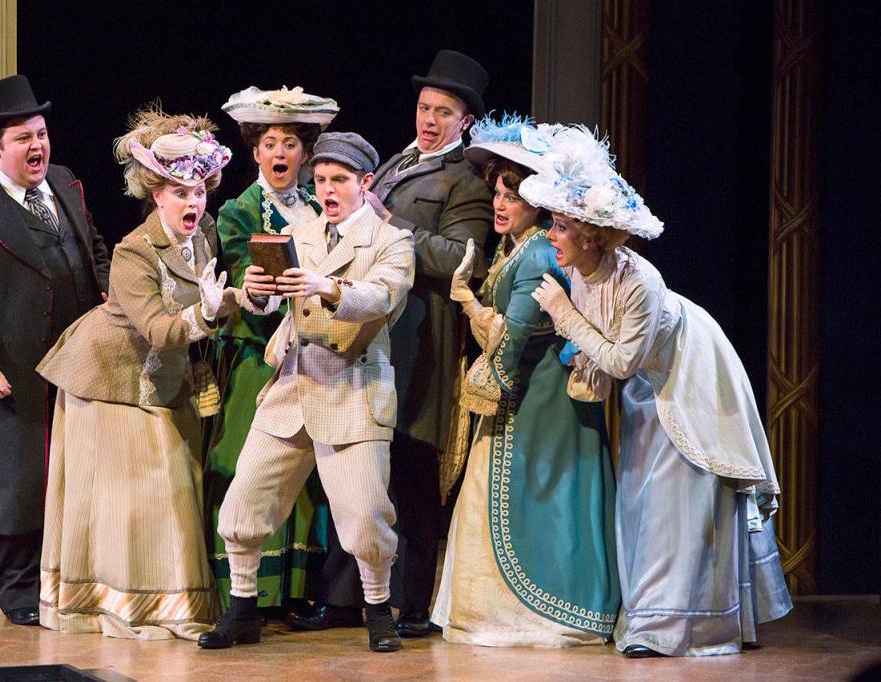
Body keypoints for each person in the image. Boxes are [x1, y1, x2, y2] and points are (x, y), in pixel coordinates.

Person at [521, 125, 792, 657]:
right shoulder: (580, 271)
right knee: (640, 495)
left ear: (590, 235)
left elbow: (621, 359)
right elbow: (608, 351)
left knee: (681, 494)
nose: (550, 235)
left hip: (690, 370)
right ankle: (647, 618)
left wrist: (564, 316)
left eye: (560, 226)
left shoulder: (639, 281)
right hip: (648, 384)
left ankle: (682, 626)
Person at [291, 48, 493, 639]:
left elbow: (463, 259)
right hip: (360, 331)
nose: (429, 119)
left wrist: (389, 222)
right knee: (352, 467)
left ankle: (414, 604)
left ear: (465, 122)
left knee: (409, 467)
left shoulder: (464, 182)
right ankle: (344, 598)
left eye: (443, 112)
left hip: (416, 340)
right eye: (425, 107)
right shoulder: (394, 163)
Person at [199, 132, 414, 653]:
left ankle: (378, 612)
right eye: (320, 180)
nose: (328, 190)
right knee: (243, 504)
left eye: (339, 179)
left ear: (365, 183)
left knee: (365, 519)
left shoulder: (392, 240)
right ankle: (243, 611)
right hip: (293, 388)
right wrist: (254, 292)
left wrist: (328, 287)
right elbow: (270, 303)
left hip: (352, 391)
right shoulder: (298, 232)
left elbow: (383, 295)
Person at [35, 107, 235, 640]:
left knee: (171, 487)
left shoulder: (204, 234)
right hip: (109, 379)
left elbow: (205, 306)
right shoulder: (133, 252)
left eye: (199, 192)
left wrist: (242, 301)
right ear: (157, 195)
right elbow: (157, 329)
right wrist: (208, 314)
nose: (192, 202)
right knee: (133, 496)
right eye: (179, 192)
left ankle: (171, 603)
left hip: (163, 378)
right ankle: (116, 605)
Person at [430, 115, 620, 647]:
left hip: (539, 398)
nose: (499, 204)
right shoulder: (516, 246)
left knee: (532, 498)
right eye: (496, 193)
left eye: (511, 196)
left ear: (536, 203)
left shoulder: (536, 253)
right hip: (529, 391)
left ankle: (534, 614)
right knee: (500, 496)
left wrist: (483, 367)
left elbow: (512, 336)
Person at [0, 75, 110, 627]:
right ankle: (18, 592)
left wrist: (110, 292)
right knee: (18, 485)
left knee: (72, 473)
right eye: (24, 138)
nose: (38, 147)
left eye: (42, 134)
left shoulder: (64, 182)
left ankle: (70, 580)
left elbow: (94, 247)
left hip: (77, 360)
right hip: (13, 370)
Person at [208, 86, 339, 612]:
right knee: (250, 464)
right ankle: (249, 592)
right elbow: (247, 283)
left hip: (316, 354)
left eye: (290, 143)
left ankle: (299, 591)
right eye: (269, 144)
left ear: (305, 152)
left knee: (309, 473)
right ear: (256, 152)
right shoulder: (239, 211)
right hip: (259, 354)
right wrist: (260, 289)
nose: (279, 152)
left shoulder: (321, 206)